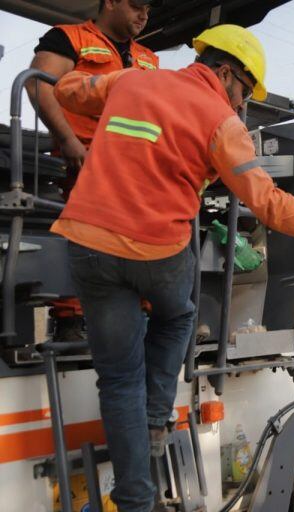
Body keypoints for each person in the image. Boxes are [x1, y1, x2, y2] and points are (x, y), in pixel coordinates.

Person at [52, 24, 294, 511]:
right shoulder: (223, 123)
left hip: (88, 242)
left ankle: (134, 498)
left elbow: (67, 90)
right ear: (223, 73)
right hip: (156, 251)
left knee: (118, 380)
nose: (241, 106)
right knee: (177, 316)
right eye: (242, 93)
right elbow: (268, 205)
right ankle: (156, 421)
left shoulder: (129, 81)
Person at [28, 0, 160, 339]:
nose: (144, 14)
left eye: (148, 7)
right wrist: (69, 141)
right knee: (84, 241)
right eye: (136, 5)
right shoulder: (67, 38)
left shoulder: (149, 58)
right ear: (111, 2)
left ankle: (142, 318)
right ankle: (73, 321)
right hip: (86, 164)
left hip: (139, 174)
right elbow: (37, 85)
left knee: (145, 243)